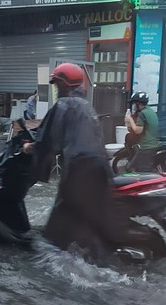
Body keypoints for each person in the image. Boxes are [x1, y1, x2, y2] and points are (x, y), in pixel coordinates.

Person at [23, 63, 113, 250]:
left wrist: (30, 148)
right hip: (102, 171)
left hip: (79, 171)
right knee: (86, 218)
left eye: (57, 84)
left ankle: (51, 265)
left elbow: (48, 139)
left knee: (55, 230)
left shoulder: (64, 105)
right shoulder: (87, 106)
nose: (56, 89)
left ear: (64, 85)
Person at [124, 91, 159, 172]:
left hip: (146, 147)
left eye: (134, 103)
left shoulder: (142, 114)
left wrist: (130, 119)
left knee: (135, 169)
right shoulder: (151, 111)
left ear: (138, 103)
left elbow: (138, 131)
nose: (134, 106)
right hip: (153, 145)